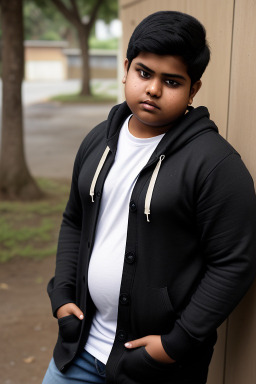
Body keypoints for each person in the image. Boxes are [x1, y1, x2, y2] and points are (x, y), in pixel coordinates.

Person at [42, 10, 256, 384]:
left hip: (154, 370)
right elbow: (74, 219)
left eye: (171, 81)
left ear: (193, 89)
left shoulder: (215, 164)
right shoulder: (98, 140)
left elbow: (234, 263)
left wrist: (175, 344)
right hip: (78, 352)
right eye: (144, 73)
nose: (153, 89)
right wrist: (62, 295)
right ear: (126, 67)